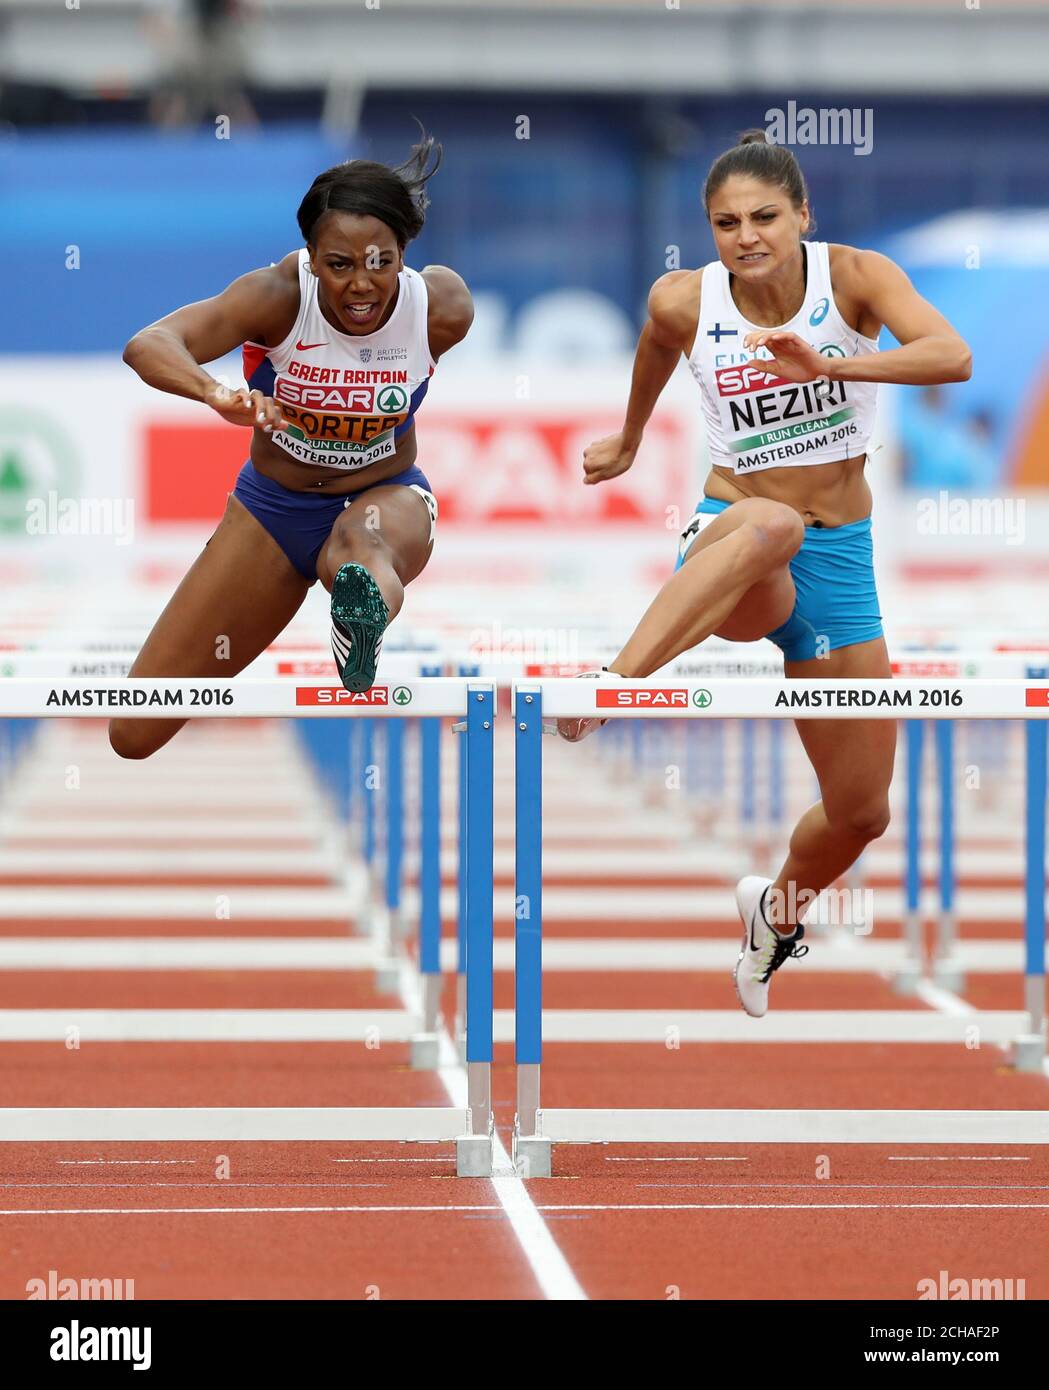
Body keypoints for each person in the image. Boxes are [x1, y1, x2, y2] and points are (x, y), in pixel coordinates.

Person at [562, 129, 972, 1018]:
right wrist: (630, 439)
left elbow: (951, 356)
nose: (745, 237)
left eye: (762, 218)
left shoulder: (854, 278)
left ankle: (774, 915)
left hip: (839, 560)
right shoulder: (682, 299)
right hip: (736, 545)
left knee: (863, 812)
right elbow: (654, 351)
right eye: (724, 223)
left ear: (801, 217)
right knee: (771, 524)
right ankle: (612, 682)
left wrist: (830, 362)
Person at [112, 136, 472, 760]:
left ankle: (359, 620)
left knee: (361, 546)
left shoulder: (441, 308)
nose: (362, 286)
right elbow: (150, 343)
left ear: (404, 254)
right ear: (309, 259)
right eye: (339, 265)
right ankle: (355, 597)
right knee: (135, 730)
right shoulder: (278, 297)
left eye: (380, 262)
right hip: (272, 513)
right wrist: (214, 392)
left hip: (386, 494)